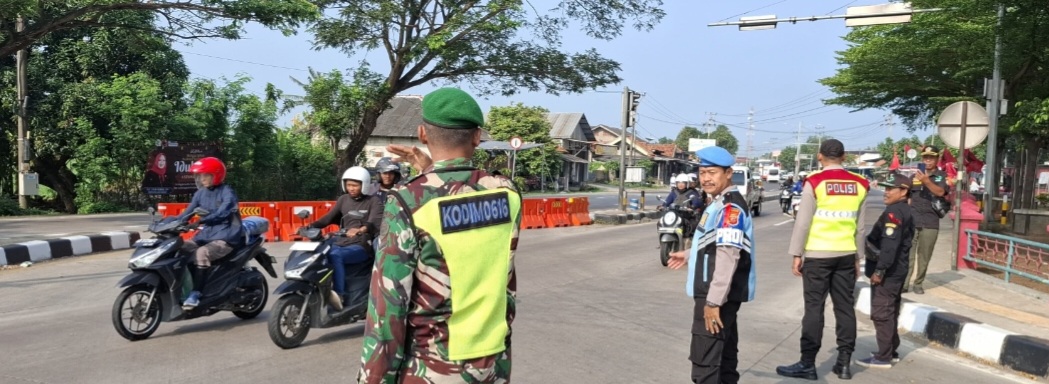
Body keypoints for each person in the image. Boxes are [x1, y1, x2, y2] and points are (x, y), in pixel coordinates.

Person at [357, 88, 520, 383]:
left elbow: (388, 307)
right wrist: (430, 172)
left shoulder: (407, 201)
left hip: (431, 369)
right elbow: (463, 202)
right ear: (477, 136)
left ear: (422, 134)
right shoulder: (507, 193)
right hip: (493, 366)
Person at [777, 139, 869, 381]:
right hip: (846, 255)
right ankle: (844, 363)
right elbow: (860, 227)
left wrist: (797, 254)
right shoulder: (861, 184)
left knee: (814, 309)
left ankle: (808, 363)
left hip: (818, 255)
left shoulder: (815, 182)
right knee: (845, 307)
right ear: (844, 156)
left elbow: (803, 222)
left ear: (820, 157)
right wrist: (859, 257)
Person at [667, 145, 756, 384]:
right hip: (722, 293)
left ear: (729, 173)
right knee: (725, 357)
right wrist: (689, 254)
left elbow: (728, 256)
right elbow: (715, 242)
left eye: (712, 172)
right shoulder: (719, 202)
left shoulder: (729, 208)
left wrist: (713, 302)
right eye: (702, 172)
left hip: (715, 294)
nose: (705, 178)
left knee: (705, 362)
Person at [858, 171, 915, 369]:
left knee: (882, 312)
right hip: (898, 269)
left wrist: (880, 271)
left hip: (889, 271)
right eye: (885, 187)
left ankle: (883, 357)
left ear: (904, 191)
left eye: (891, 189)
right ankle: (891, 351)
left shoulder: (894, 213)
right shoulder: (902, 210)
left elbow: (890, 245)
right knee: (890, 310)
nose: (886, 192)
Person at [308, 166, 382, 313]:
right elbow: (328, 218)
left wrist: (360, 230)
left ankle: (339, 295)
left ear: (364, 185)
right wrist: (310, 226)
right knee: (319, 251)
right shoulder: (343, 200)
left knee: (335, 255)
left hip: (361, 244)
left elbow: (374, 221)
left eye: (355, 185)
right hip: (341, 241)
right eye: (349, 185)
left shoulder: (374, 201)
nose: (351, 188)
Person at [178, 157, 244, 310]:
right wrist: (165, 222)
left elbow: (223, 213)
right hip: (206, 235)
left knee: (201, 253)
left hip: (225, 236)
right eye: (200, 176)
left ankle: (196, 293)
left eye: (206, 175)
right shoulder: (200, 193)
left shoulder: (227, 192)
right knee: (179, 247)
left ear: (217, 175)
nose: (202, 179)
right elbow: (186, 214)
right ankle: (182, 288)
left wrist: (201, 221)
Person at [904, 145, 950, 295]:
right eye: (925, 157)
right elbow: (908, 196)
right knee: (908, 255)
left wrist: (926, 181)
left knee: (924, 256)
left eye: (931, 157)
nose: (928, 160)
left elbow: (941, 191)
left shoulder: (941, 176)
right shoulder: (914, 177)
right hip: (913, 220)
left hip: (930, 222)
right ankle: (904, 284)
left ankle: (918, 283)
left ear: (937, 159)